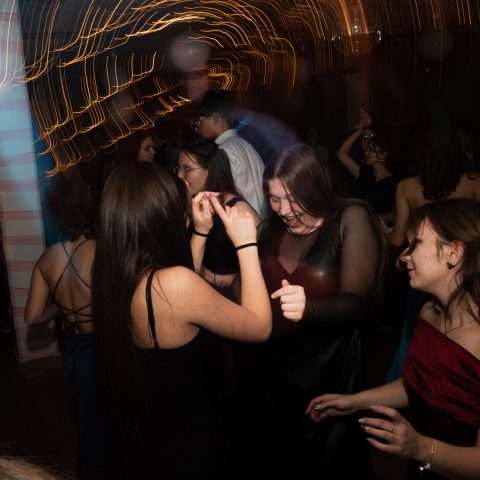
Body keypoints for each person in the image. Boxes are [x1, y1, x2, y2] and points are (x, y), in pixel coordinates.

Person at [92, 162, 271, 480]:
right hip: (188, 442)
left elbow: (178, 293)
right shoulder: (174, 285)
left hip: (151, 435)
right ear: (162, 215)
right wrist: (246, 244)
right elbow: (259, 326)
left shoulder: (114, 273)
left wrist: (200, 232)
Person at [234, 143, 385, 479]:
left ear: (316, 186)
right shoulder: (269, 231)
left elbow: (357, 303)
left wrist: (310, 308)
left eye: (293, 198)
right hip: (272, 377)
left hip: (327, 373)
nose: (284, 209)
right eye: (275, 198)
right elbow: (248, 292)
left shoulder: (349, 219)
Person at [307, 199, 480, 480]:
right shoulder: (428, 313)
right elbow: (418, 386)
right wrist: (354, 401)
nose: (404, 256)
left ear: (453, 253)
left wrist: (421, 448)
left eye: (416, 243)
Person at [24, 168, 111, 480]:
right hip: (100, 347)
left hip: (73, 348)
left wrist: (62, 309)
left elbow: (33, 316)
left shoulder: (47, 259)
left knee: (85, 418)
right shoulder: (102, 251)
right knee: (104, 424)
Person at [176, 139, 260, 291]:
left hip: (233, 298)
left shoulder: (238, 209)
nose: (180, 175)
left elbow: (265, 263)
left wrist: (226, 280)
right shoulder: (191, 204)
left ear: (211, 169)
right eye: (179, 168)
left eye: (187, 169)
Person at [387, 123, 480, 248]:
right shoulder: (474, 182)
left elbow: (397, 240)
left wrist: (376, 231)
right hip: (467, 254)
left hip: (429, 254)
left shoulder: (406, 187)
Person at [193, 90, 267, 217]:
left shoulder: (222, 151)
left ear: (216, 117)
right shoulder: (246, 145)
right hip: (261, 220)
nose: (197, 128)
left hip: (243, 220)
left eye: (200, 121)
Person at [336, 109, 400, 225]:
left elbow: (395, 216)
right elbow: (341, 153)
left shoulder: (395, 182)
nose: (366, 152)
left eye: (371, 150)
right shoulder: (365, 172)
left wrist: (368, 218)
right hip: (361, 226)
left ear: (382, 155)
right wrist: (359, 130)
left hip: (381, 231)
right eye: (364, 138)